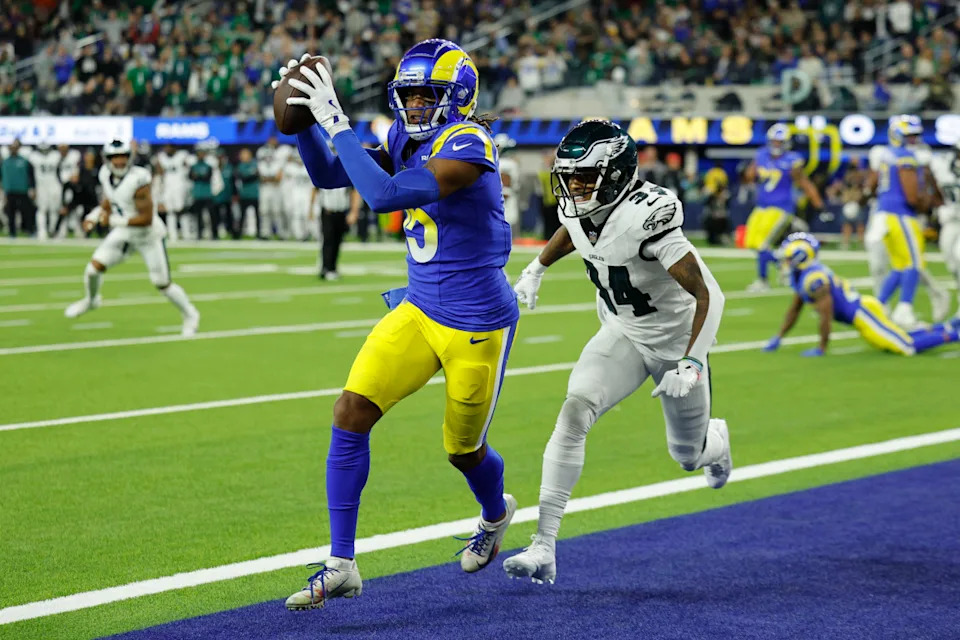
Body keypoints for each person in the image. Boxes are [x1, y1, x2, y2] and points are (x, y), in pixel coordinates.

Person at [274, 39, 519, 609]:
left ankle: (495, 512)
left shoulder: (468, 144)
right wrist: (307, 123)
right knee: (350, 411)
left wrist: (334, 121)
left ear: (457, 95)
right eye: (406, 93)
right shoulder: (403, 135)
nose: (412, 104)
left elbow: (384, 196)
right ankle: (342, 562)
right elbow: (332, 177)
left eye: (425, 93)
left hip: (476, 323)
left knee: (463, 451)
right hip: (419, 307)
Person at [503, 120, 731, 585]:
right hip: (623, 333)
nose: (574, 188)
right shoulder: (584, 207)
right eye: (568, 178)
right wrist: (536, 267)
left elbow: (711, 295)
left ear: (616, 176)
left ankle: (718, 444)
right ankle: (543, 544)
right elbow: (575, 230)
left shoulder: (648, 218)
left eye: (585, 178)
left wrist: (690, 362)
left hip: (674, 345)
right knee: (573, 412)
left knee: (687, 455)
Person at [63, 139, 200, 336]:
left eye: (123, 157)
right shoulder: (105, 174)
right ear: (107, 159)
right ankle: (91, 301)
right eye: (114, 157)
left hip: (148, 236)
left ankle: (190, 314)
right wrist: (93, 216)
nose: (119, 161)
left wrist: (112, 222)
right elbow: (111, 199)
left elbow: (145, 219)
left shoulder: (139, 179)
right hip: (125, 233)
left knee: (162, 284)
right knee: (93, 270)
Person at [762, 232, 957, 356]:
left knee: (906, 346)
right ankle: (947, 327)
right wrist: (779, 337)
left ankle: (954, 334)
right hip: (863, 308)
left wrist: (822, 347)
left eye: (788, 260)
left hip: (862, 313)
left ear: (800, 258)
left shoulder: (814, 280)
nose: (784, 264)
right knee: (900, 337)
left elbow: (826, 315)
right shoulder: (803, 276)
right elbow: (795, 309)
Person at [873, 116, 939, 329]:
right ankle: (904, 311)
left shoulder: (887, 154)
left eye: (915, 136)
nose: (914, 140)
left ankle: (878, 306)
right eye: (910, 136)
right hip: (900, 214)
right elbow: (911, 196)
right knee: (914, 264)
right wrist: (925, 203)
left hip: (886, 213)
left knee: (900, 266)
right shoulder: (904, 157)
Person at [742, 124, 824, 291]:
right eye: (774, 141)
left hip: (780, 208)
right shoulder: (761, 155)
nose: (777, 145)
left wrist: (819, 205)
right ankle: (784, 262)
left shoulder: (792, 160)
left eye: (780, 142)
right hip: (761, 206)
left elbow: (804, 183)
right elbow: (750, 176)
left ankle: (763, 280)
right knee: (750, 242)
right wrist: (750, 171)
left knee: (762, 245)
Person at [930, 141, 960, 323]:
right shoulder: (942, 164)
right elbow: (931, 183)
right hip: (951, 220)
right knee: (951, 262)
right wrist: (939, 205)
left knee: (959, 256)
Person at [316, 185, 359, 280]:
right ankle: (325, 268)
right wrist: (311, 209)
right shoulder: (324, 176)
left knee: (338, 240)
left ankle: (333, 267)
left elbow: (353, 192)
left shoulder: (344, 176)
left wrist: (354, 212)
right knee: (328, 239)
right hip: (328, 211)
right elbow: (315, 190)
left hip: (341, 211)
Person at [155, 143, 192, 241]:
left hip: (180, 186)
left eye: (168, 147)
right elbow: (159, 172)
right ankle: (172, 235)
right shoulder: (162, 157)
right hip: (168, 187)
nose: (167, 149)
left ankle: (186, 233)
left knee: (182, 211)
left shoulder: (182, 155)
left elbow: (189, 169)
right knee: (170, 211)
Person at [0, 139, 36, 237]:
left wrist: (32, 188)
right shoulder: (5, 162)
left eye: (15, 148)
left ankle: (29, 230)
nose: (13, 149)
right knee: (10, 213)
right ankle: (12, 233)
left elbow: (31, 175)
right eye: (12, 148)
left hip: (22, 190)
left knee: (26, 212)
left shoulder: (24, 161)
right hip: (10, 190)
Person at [28, 140, 62, 240]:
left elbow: (59, 172)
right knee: (41, 209)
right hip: (41, 186)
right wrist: (32, 188)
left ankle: (53, 231)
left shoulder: (55, 155)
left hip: (54, 185)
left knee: (54, 210)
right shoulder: (34, 156)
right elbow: (30, 174)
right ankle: (42, 231)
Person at [256, 136, 284, 239]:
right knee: (264, 211)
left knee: (277, 210)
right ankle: (265, 233)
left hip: (275, 187)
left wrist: (273, 179)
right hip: (265, 187)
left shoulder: (279, 154)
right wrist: (266, 178)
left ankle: (281, 232)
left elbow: (279, 172)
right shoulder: (261, 154)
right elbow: (259, 171)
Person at [235, 148, 260, 238]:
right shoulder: (240, 166)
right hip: (244, 194)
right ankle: (239, 233)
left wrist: (250, 175)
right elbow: (243, 178)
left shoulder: (254, 164)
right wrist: (251, 175)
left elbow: (256, 175)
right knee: (242, 215)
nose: (245, 156)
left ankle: (259, 233)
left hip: (254, 193)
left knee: (257, 215)